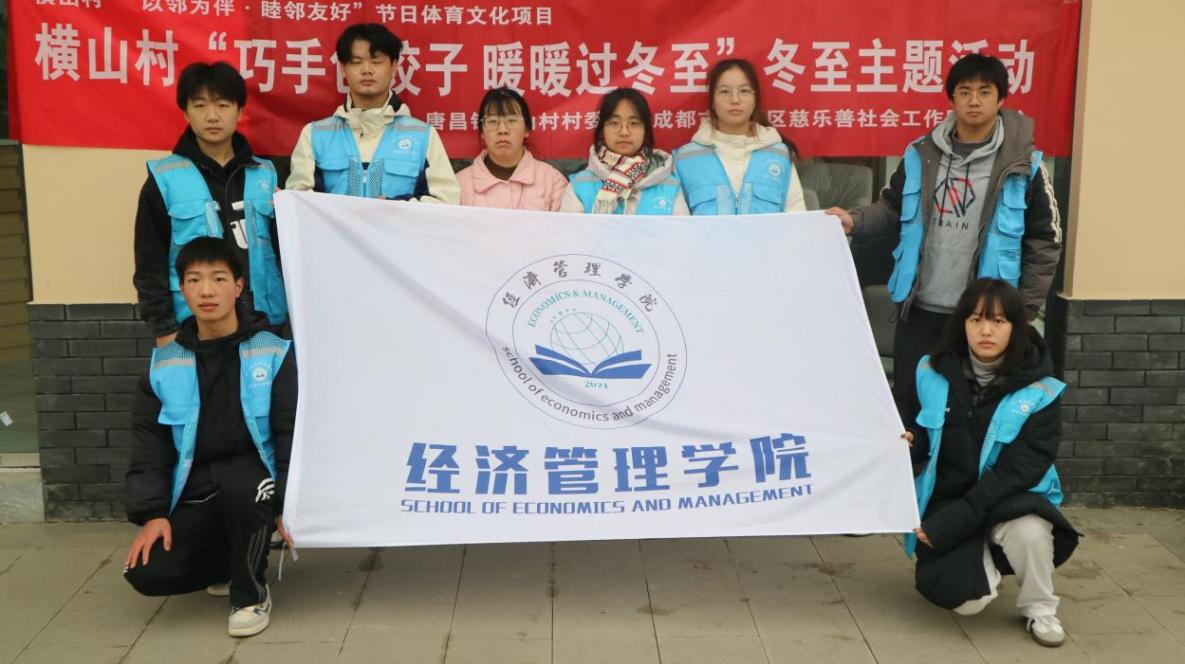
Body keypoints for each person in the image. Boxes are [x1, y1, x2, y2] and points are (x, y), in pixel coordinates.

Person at [826, 53, 1061, 420]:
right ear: (952, 98)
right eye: (964, 91)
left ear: (1001, 99)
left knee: (969, 415)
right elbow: (891, 207)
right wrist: (853, 221)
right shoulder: (922, 154)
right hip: (920, 309)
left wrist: (1023, 310)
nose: (974, 100)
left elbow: (1044, 241)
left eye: (985, 92)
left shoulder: (1024, 166)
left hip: (982, 315)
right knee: (911, 407)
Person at [124, 237, 297, 638]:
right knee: (147, 573)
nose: (206, 291)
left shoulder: (273, 352)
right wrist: (152, 514)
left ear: (238, 286)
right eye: (194, 280)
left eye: (218, 279)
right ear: (182, 289)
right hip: (198, 483)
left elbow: (289, 432)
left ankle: (251, 594)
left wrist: (288, 503)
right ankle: (230, 562)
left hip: (254, 476)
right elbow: (150, 448)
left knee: (243, 487)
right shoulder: (164, 365)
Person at [903, 278, 1076, 648]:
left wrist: (953, 524)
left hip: (1010, 499)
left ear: (1016, 327)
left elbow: (1020, 470)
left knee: (1030, 531)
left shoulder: (1041, 390)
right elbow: (918, 429)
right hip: (949, 497)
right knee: (968, 602)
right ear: (962, 324)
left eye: (998, 321)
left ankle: (1040, 608)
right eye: (976, 319)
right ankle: (982, 555)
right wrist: (910, 439)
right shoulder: (930, 372)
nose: (986, 330)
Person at [133, 62, 287, 348]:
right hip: (192, 326)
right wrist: (164, 328)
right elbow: (149, 263)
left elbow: (288, 252)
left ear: (240, 111)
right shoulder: (164, 179)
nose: (212, 116)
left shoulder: (267, 174)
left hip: (264, 321)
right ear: (185, 112)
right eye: (200, 105)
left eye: (223, 105)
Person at [287, 23, 460, 203]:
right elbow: (298, 203)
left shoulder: (423, 136)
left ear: (394, 67)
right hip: (332, 224)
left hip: (397, 223)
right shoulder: (315, 135)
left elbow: (446, 201)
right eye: (356, 62)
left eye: (376, 61)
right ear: (343, 68)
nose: (366, 70)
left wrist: (394, 206)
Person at [673, 58, 807, 215]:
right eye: (724, 92)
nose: (735, 100)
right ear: (713, 101)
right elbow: (677, 224)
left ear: (755, 98)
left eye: (744, 91)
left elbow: (797, 217)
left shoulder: (779, 154)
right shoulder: (685, 159)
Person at [559, 88, 688, 215]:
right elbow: (569, 229)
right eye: (615, 123)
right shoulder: (579, 187)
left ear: (646, 130)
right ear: (602, 129)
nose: (624, 132)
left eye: (634, 123)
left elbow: (682, 229)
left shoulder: (670, 186)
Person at [456, 87, 568, 210]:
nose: (502, 130)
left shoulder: (552, 182)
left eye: (511, 120)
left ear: (526, 129)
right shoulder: (459, 185)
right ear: (482, 132)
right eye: (493, 121)